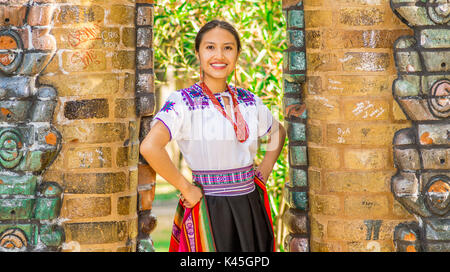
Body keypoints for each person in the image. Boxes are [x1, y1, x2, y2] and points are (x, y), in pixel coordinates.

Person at [139, 20, 286, 252]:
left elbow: (277, 131)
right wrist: (186, 188)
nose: (219, 55)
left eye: (228, 47)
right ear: (198, 53)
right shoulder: (183, 102)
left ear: (237, 54)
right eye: (210, 47)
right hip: (208, 205)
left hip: (249, 204)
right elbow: (150, 147)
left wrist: (264, 171)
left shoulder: (249, 100)